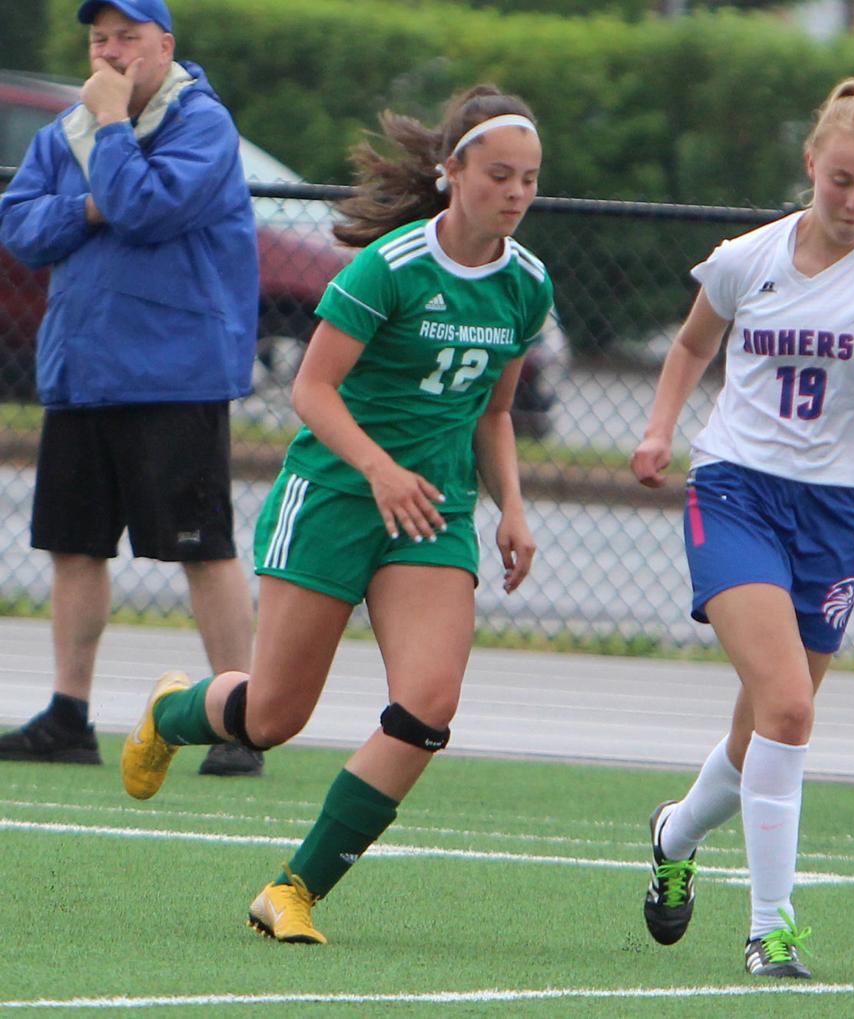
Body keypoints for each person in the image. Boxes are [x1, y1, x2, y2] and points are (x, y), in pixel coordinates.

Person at [116, 84, 552, 944]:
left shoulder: (526, 285)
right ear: (451, 170)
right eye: (499, 175)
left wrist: (513, 506)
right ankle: (173, 710)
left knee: (427, 706)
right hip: (335, 497)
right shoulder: (388, 267)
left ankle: (293, 889)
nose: (516, 195)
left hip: (429, 517)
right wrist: (380, 468)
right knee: (274, 715)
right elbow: (310, 390)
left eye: (530, 180)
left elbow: (496, 412)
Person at [631, 79, 854, 978]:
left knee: (763, 733)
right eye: (841, 182)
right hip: (736, 488)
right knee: (790, 706)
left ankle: (674, 833)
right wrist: (660, 427)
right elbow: (691, 346)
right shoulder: (750, 255)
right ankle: (771, 928)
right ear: (810, 166)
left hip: (832, 512)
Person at [0, 0, 262, 778]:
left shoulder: (202, 125)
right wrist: (89, 201)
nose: (111, 53)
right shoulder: (65, 133)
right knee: (75, 547)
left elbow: (147, 210)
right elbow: (21, 227)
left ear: (165, 46)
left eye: (128, 39)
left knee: (201, 547)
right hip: (84, 372)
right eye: (99, 40)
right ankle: (68, 715)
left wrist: (112, 129)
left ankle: (240, 720)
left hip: (175, 373)